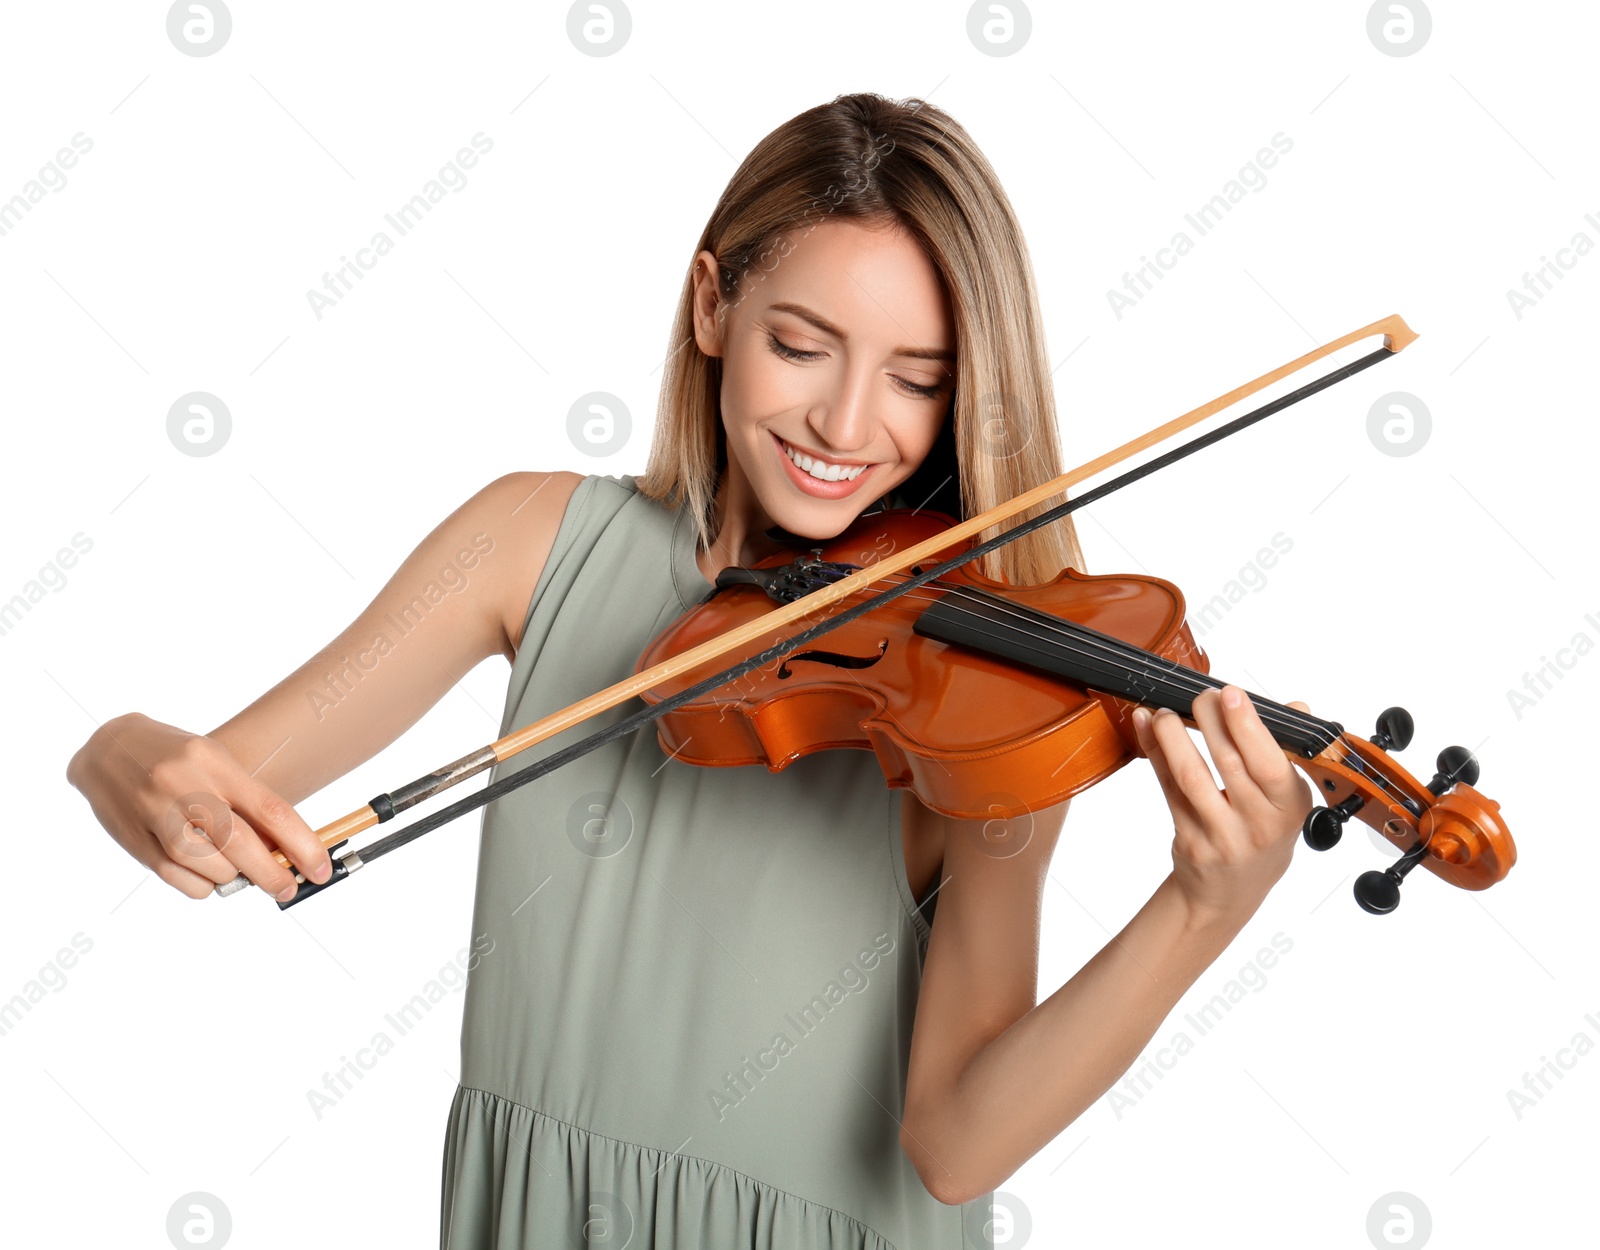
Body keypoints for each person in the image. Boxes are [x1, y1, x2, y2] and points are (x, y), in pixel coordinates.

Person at [65, 92, 1314, 1248]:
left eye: (917, 379)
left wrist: (1201, 908)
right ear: (713, 306)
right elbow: (220, 781)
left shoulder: (979, 687)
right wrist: (117, 748)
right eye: (801, 344)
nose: (842, 423)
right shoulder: (531, 541)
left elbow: (956, 1143)